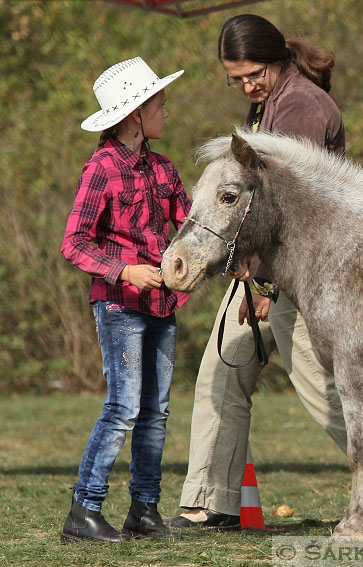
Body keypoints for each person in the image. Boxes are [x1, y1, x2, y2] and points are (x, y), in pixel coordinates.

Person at [165, 14, 363, 536]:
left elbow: (287, 204)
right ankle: (210, 502)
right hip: (266, 273)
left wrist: (264, 285)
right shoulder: (269, 103)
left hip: (297, 279)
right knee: (220, 377)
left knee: (328, 392)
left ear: (275, 59)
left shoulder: (301, 106)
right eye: (235, 79)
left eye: (253, 74)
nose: (246, 86)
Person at [60, 57, 190, 543]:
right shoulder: (101, 168)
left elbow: (191, 227)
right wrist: (125, 271)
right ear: (136, 114)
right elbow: (74, 242)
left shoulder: (164, 168)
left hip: (161, 307)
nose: (167, 112)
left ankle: (144, 510)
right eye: (160, 104)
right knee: (123, 408)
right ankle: (84, 510)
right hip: (119, 307)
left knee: (155, 412)